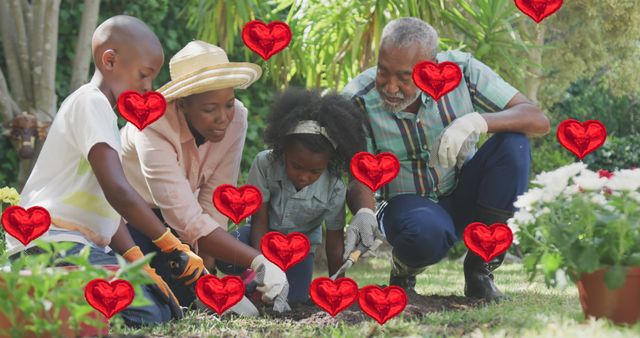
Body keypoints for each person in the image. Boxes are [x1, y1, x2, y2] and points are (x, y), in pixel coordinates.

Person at [5, 15, 206, 325]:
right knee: (148, 312)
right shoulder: (90, 102)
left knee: (163, 307)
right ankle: (29, 299)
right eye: (143, 75)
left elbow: (109, 218)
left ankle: (38, 299)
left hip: (70, 247)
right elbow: (119, 192)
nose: (147, 88)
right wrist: (170, 243)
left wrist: (141, 264)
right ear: (109, 60)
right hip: (50, 245)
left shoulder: (104, 118)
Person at [341, 17, 550, 302]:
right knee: (425, 233)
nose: (390, 87)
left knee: (514, 145)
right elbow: (359, 172)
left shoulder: (462, 72)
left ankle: (479, 272)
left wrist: (477, 121)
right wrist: (364, 213)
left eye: (404, 77)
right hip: (408, 207)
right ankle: (403, 270)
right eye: (383, 72)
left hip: (464, 191)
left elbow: (536, 119)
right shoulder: (358, 99)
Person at [120, 41, 289, 312]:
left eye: (229, 105)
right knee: (154, 306)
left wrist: (206, 275)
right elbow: (184, 217)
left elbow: (215, 196)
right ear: (182, 104)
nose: (223, 118)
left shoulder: (237, 120)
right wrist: (260, 261)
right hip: (133, 222)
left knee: (197, 297)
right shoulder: (151, 126)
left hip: (181, 219)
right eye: (210, 109)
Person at [215, 88, 365, 304]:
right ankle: (248, 281)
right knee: (226, 253)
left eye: (314, 172)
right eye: (297, 166)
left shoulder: (335, 186)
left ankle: (254, 289)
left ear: (328, 163)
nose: (304, 177)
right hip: (259, 237)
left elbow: (334, 242)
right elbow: (259, 221)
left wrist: (337, 283)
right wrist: (261, 268)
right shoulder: (265, 164)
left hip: (299, 249)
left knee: (294, 300)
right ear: (283, 150)